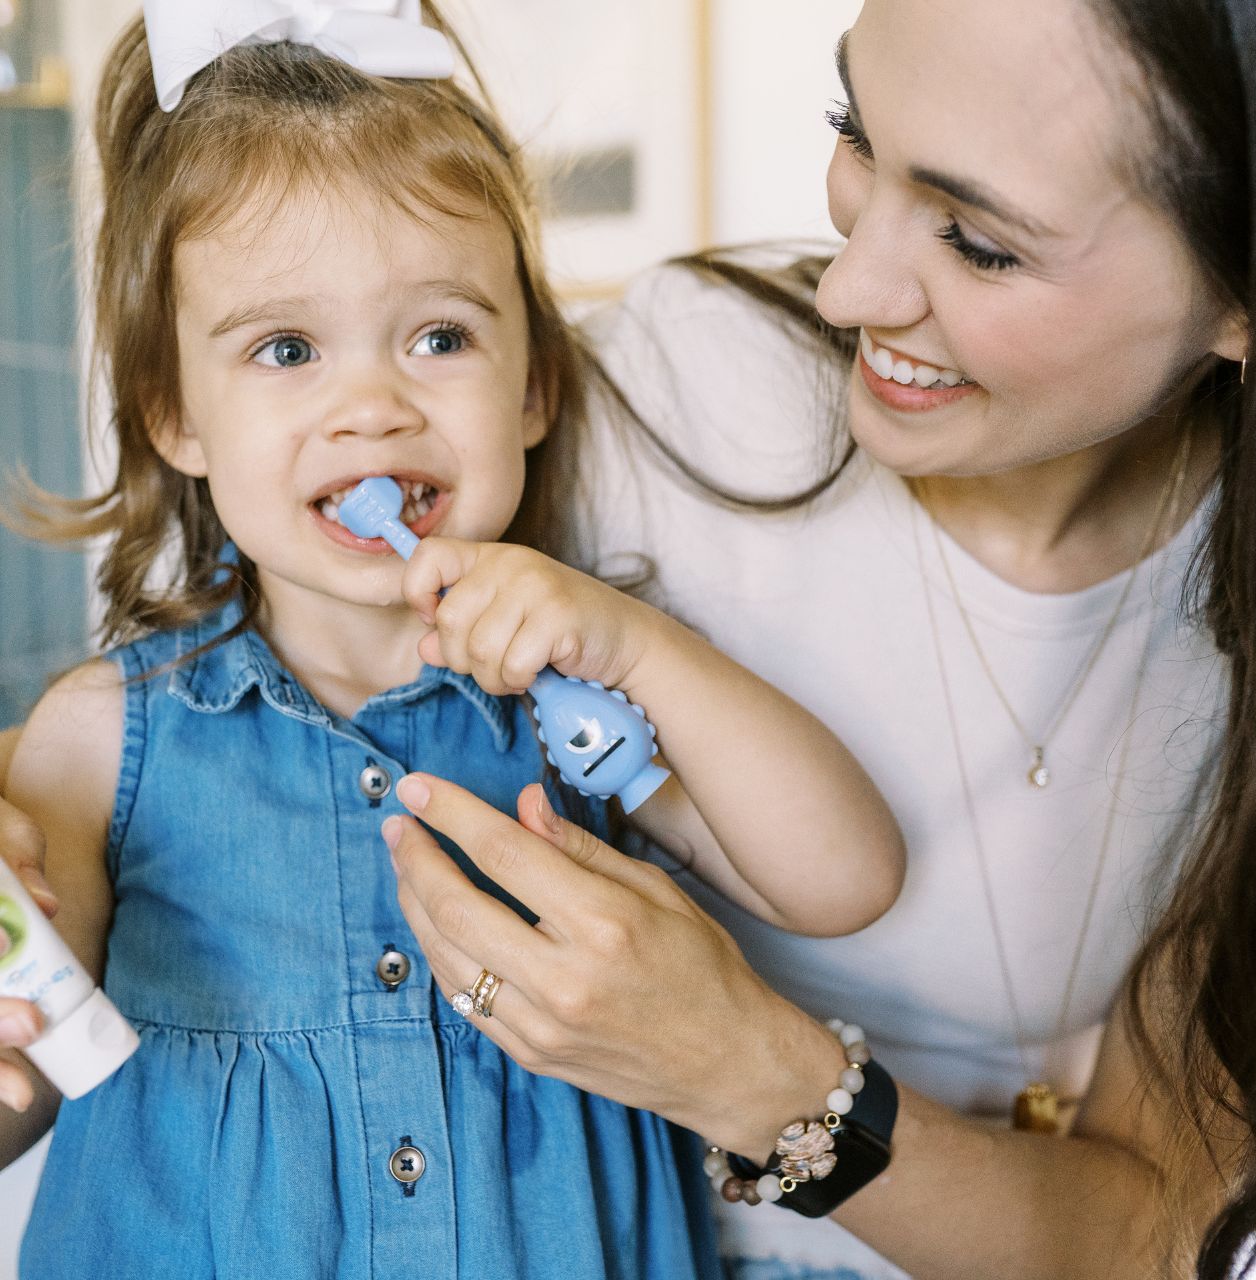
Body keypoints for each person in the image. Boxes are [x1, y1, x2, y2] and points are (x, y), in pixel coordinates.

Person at [372, 0, 1256, 1277]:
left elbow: (1149, 1233)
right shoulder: (667, 397)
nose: (847, 288)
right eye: (854, 130)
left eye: (978, 243)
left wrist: (752, 1071)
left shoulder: (1247, 628)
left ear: (1246, 292)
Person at [0, 4, 909, 1276]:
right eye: (285, 347)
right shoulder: (98, 736)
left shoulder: (578, 700)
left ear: (531, 383)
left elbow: (847, 877)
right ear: (175, 415)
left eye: (440, 336)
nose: (371, 404)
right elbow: (25, 1085)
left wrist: (635, 649)